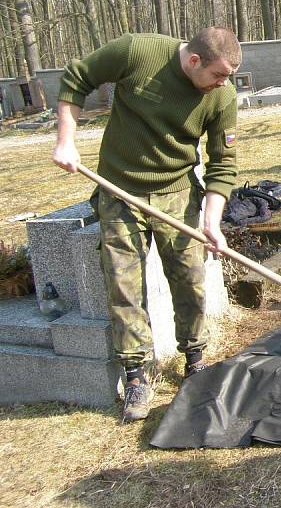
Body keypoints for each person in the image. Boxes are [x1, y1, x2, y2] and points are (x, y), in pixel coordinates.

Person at [52, 27, 241, 422]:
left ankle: (195, 358)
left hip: (177, 192)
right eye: (218, 75)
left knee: (189, 277)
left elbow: (223, 164)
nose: (224, 84)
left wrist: (212, 221)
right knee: (124, 283)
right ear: (193, 61)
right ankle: (136, 374)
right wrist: (66, 140)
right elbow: (75, 78)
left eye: (228, 77)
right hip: (120, 189)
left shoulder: (221, 96)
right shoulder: (137, 51)